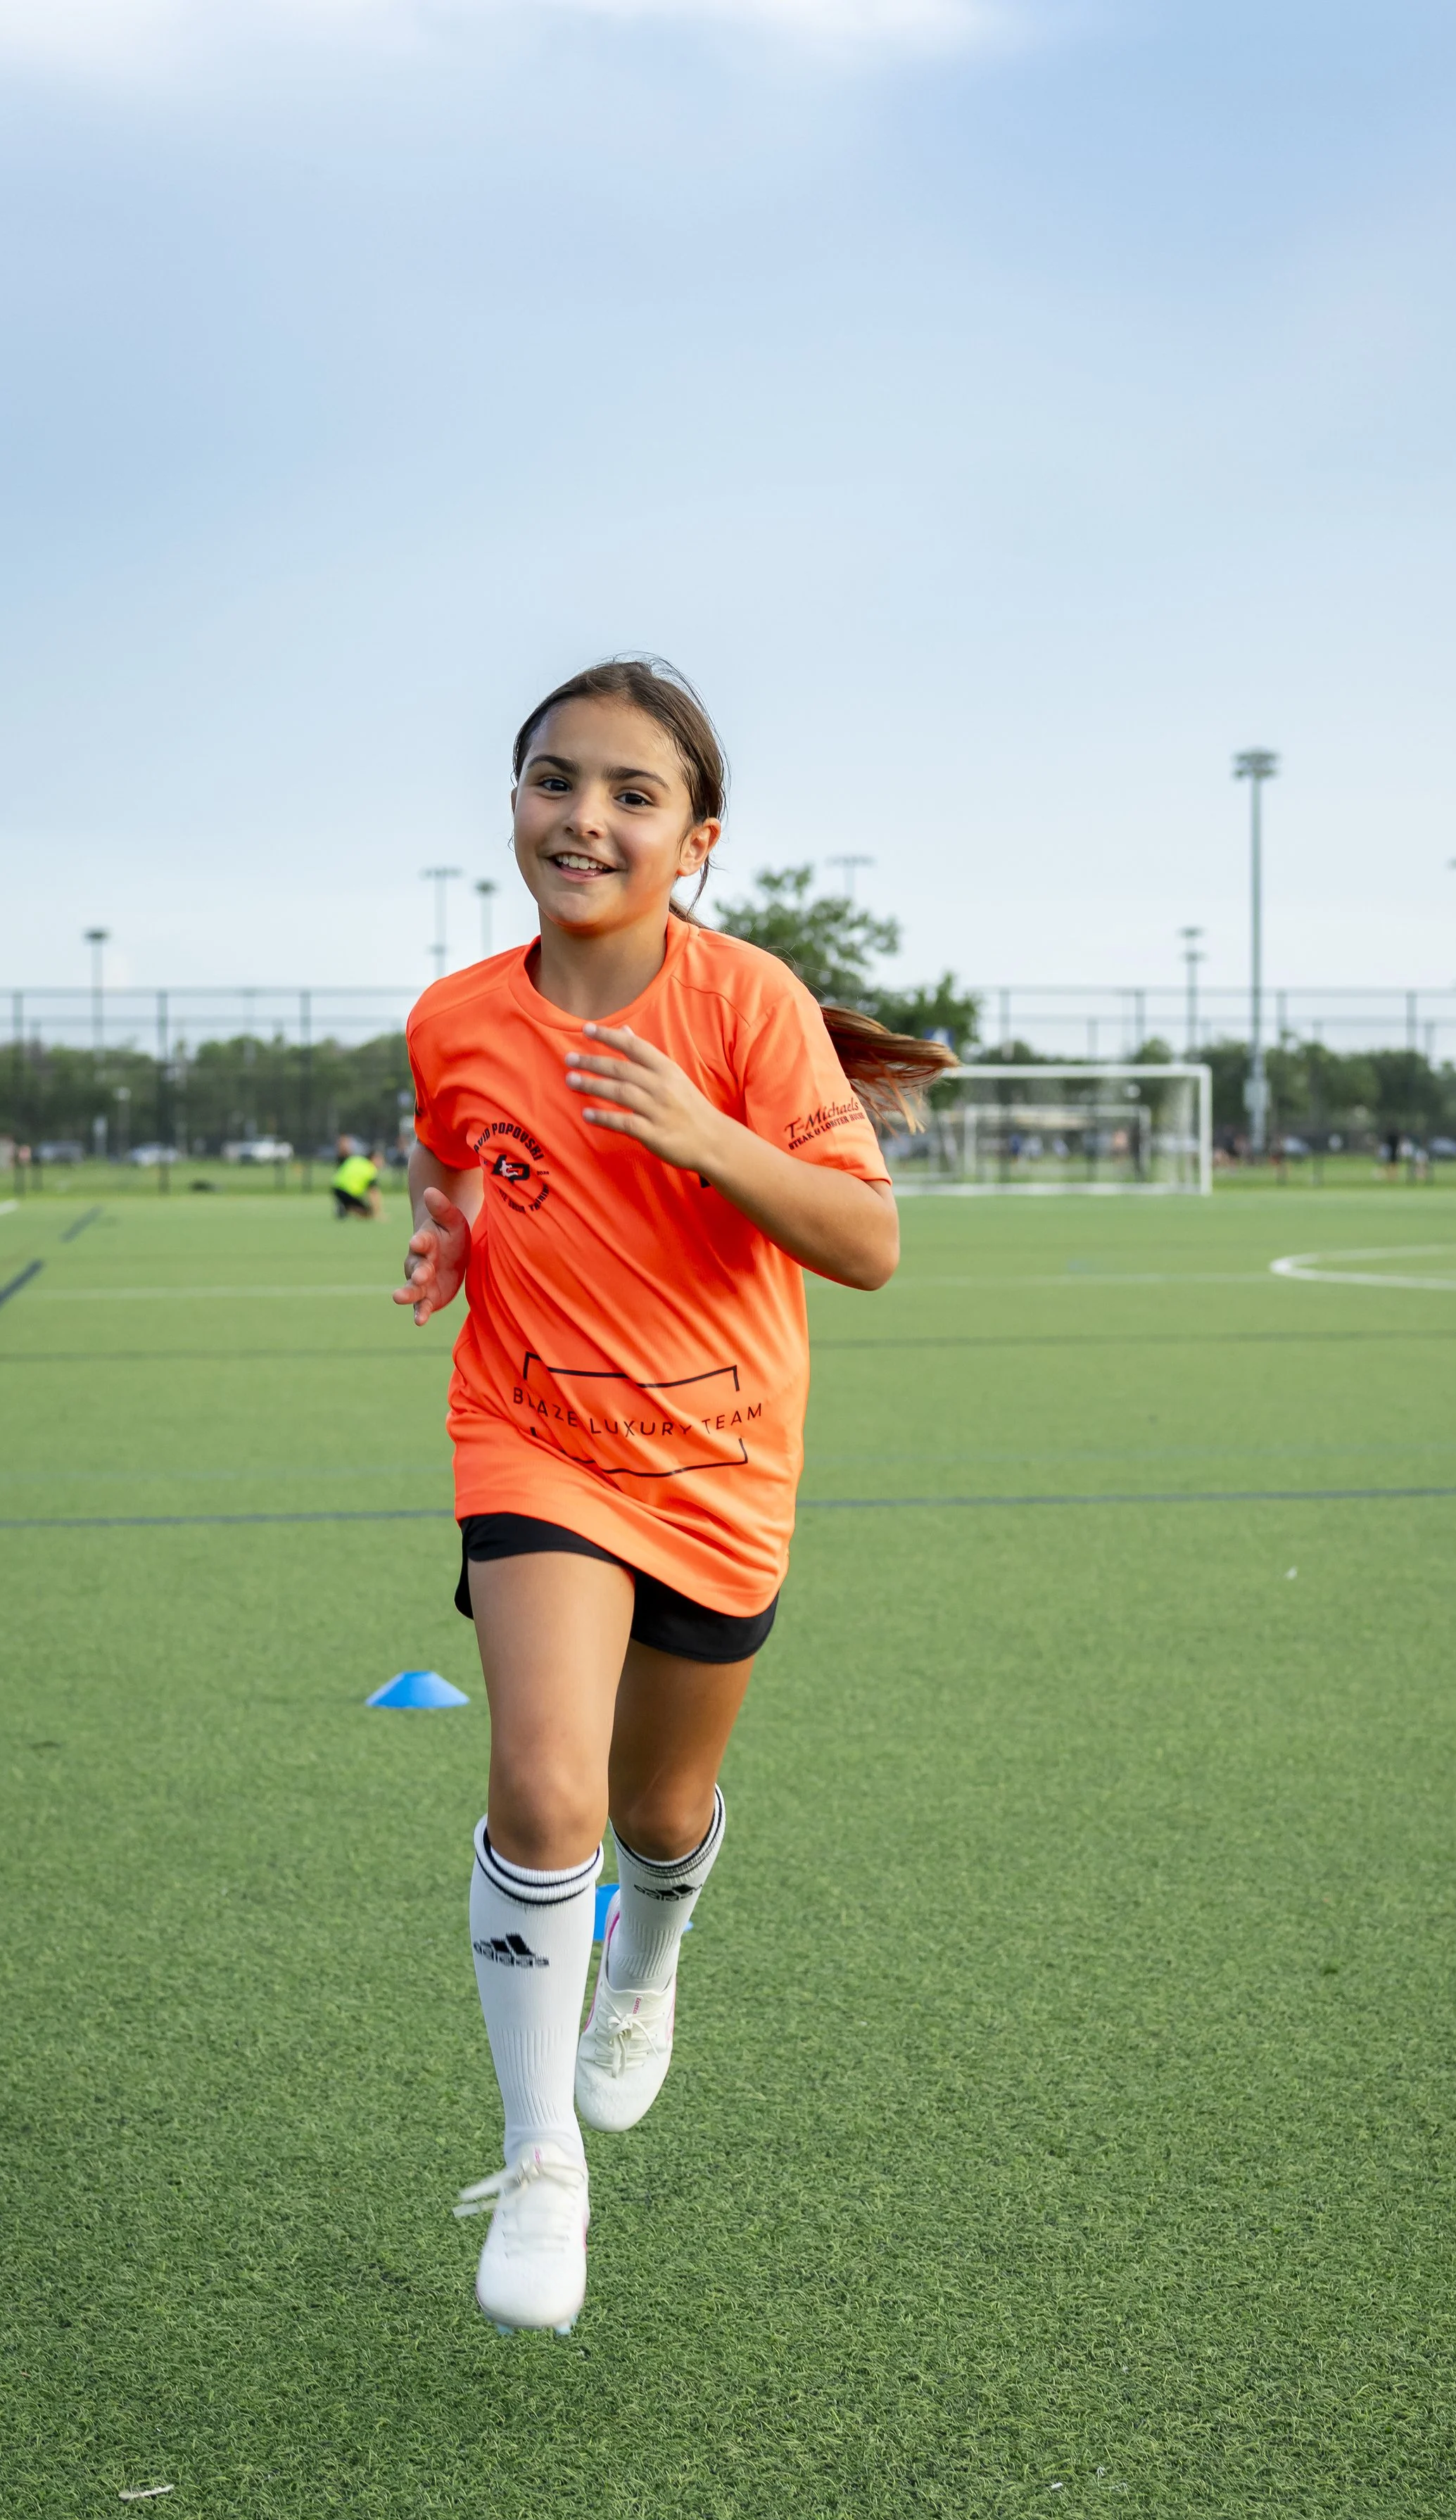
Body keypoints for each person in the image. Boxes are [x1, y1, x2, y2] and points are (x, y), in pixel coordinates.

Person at [393, 658, 947, 2336]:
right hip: (536, 1437)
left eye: (634, 794)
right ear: (513, 803)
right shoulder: (454, 1015)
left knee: (651, 1813)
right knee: (544, 1787)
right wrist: (455, 1231)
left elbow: (865, 1246)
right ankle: (539, 2150)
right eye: (555, 779)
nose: (586, 816)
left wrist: (704, 1131)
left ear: (696, 837)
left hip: (718, 1465)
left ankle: (646, 1960)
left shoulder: (751, 1007)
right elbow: (463, 1152)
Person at [332, 1137, 383, 1219]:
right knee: (368, 1213)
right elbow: (374, 1194)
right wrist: (377, 1213)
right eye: (379, 1159)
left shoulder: (357, 1159)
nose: (381, 1162)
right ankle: (347, 1207)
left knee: (357, 1204)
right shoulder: (370, 1169)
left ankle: (345, 1206)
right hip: (348, 1192)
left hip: (336, 1187)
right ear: (373, 1159)